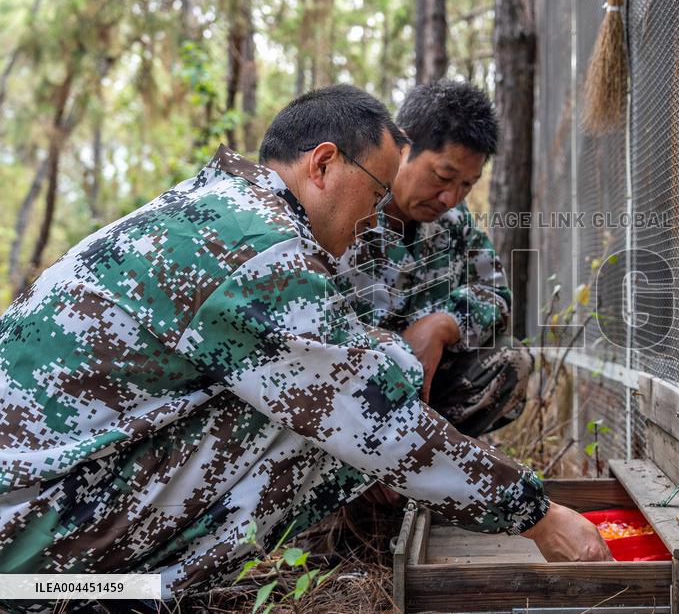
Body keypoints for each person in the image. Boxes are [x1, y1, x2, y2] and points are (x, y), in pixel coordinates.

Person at [0, 84, 610, 610]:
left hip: (44, 501)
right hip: (25, 543)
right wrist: (537, 515)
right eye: (375, 196)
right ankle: (110, 597)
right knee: (341, 411)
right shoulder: (254, 247)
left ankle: (137, 591)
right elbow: (371, 414)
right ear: (322, 165)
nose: (375, 221)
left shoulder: (224, 207)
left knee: (337, 396)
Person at [337, 80, 530, 446]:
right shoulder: (346, 206)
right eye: (443, 177)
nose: (450, 197)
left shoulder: (455, 222)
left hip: (419, 401)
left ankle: (424, 462)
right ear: (403, 144)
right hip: (341, 403)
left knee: (509, 360)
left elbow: (498, 295)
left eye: (467, 185)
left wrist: (444, 324)